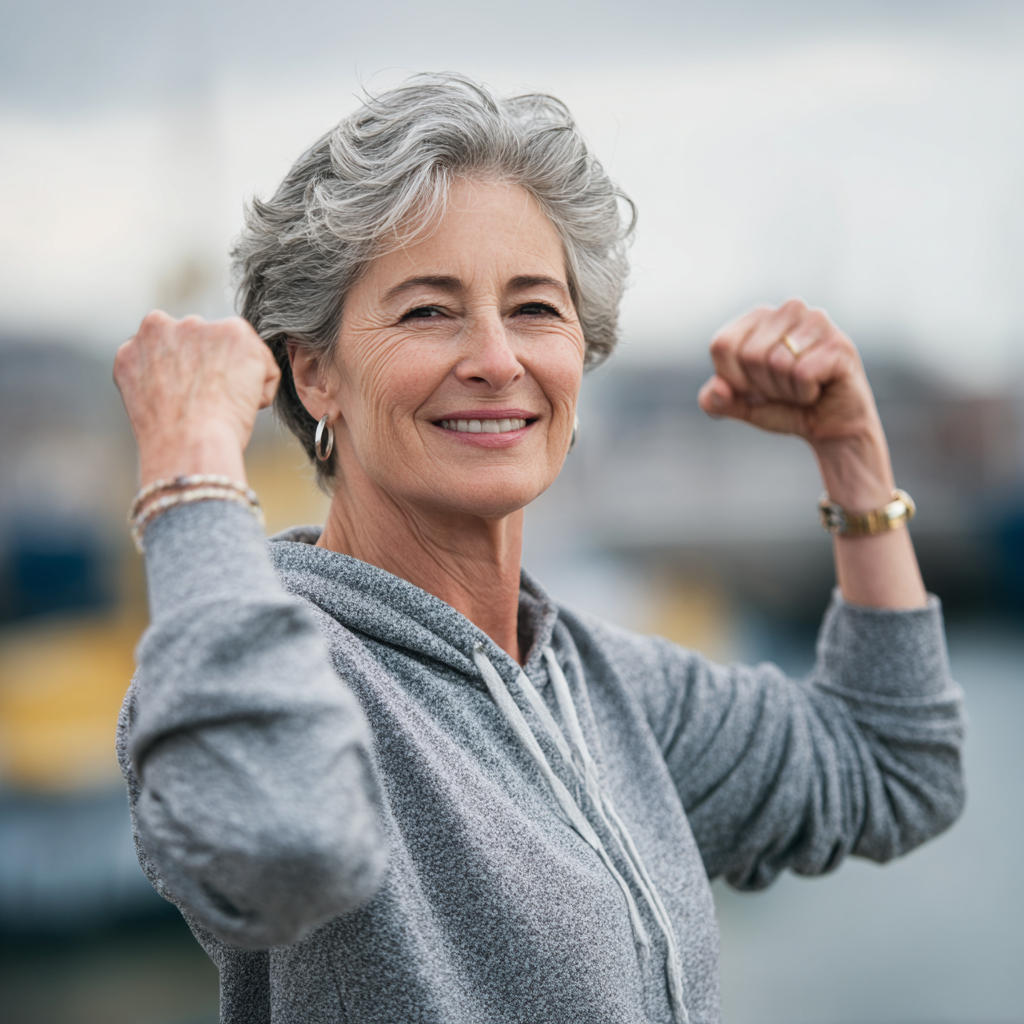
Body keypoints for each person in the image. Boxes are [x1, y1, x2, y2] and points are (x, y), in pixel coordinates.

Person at [113, 74, 965, 1024]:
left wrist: (852, 459)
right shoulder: (287, 667)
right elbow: (275, 848)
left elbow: (895, 767)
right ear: (314, 373)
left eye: (534, 309)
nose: (496, 357)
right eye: (428, 311)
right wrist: (190, 464)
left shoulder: (604, 689)